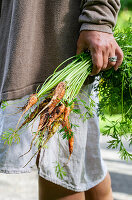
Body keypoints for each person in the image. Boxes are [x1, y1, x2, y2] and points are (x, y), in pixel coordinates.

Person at [0, 0, 123, 200]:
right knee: (85, 165)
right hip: (20, 34)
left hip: (59, 42)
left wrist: (99, 19)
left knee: (59, 168)